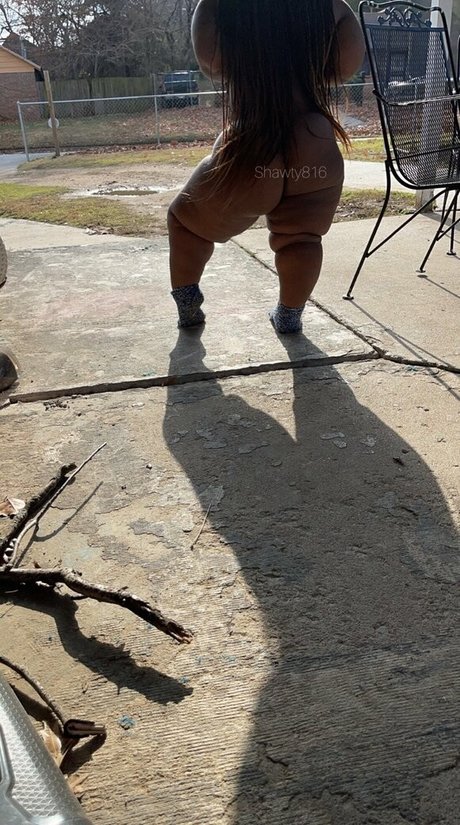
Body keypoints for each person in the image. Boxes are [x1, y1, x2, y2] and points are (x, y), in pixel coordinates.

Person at [168, 0, 365, 333]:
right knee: (302, 238)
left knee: (186, 224)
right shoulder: (327, 5)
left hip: (255, 142)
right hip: (315, 141)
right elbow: (346, 64)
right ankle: (289, 315)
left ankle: (188, 307)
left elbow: (212, 63)